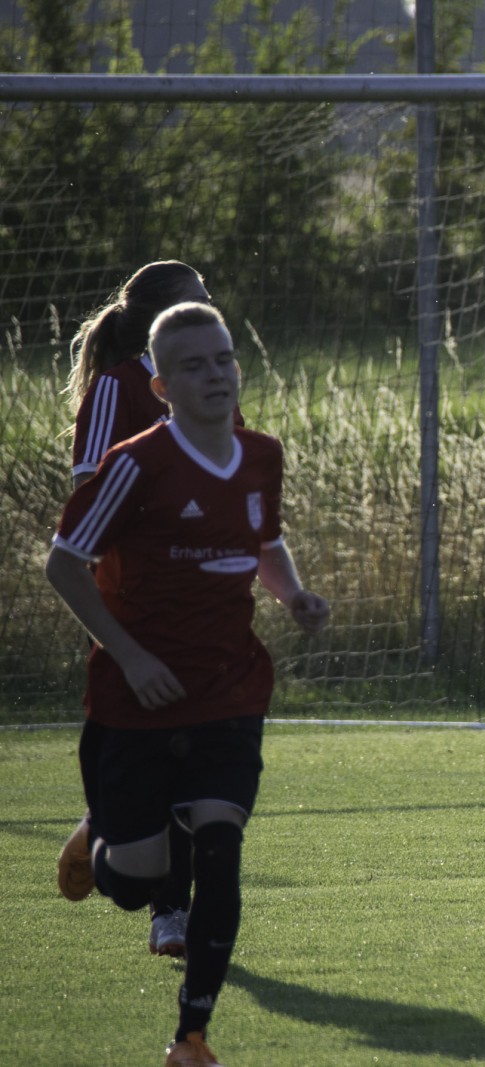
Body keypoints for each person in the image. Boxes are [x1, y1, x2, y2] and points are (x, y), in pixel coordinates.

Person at [47, 302, 329, 1066]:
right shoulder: (134, 465)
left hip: (229, 689)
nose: (215, 375)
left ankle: (191, 1036)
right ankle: (99, 837)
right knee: (136, 882)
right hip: (136, 697)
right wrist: (133, 657)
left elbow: (264, 542)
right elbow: (64, 565)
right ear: (162, 386)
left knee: (220, 847)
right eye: (194, 365)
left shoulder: (262, 455)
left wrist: (294, 596)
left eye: (225, 359)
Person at [57, 260, 217, 961]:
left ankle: (165, 904)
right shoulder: (116, 389)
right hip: (135, 602)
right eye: (199, 300)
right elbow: (88, 489)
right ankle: (131, 857)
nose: (211, 309)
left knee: (194, 757)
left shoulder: (210, 384)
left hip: (203, 604)